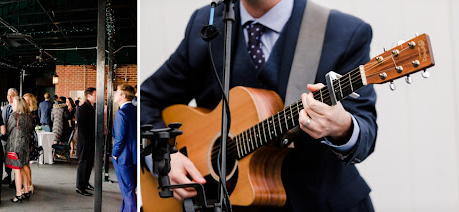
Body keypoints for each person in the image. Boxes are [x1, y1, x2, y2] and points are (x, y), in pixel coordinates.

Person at [140, 0, 378, 211]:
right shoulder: (207, 23)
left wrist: (343, 127)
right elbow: (147, 100)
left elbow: (365, 132)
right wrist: (164, 159)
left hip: (319, 201)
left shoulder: (344, 32)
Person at [112, 84, 138, 212]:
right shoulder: (136, 110)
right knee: (131, 189)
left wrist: (115, 153)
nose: (115, 94)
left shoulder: (121, 113)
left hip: (123, 157)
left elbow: (120, 138)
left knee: (127, 190)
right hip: (135, 156)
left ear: (123, 96)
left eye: (117, 92)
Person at [3, 96, 34, 203]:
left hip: (15, 146)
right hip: (25, 145)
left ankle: (18, 194)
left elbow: (7, 130)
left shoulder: (14, 116)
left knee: (17, 171)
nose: (12, 105)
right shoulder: (29, 116)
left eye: (14, 103)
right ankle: (25, 191)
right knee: (22, 168)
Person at [75, 87, 97, 196]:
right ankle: (80, 186)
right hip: (85, 141)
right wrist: (86, 141)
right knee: (83, 164)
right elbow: (82, 127)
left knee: (89, 163)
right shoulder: (82, 108)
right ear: (89, 96)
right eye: (95, 95)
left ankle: (86, 182)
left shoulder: (92, 107)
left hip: (91, 140)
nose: (96, 97)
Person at [1, 88, 18, 187]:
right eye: (8, 95)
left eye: (12, 95)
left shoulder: (18, 108)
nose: (10, 97)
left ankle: (16, 179)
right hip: (5, 137)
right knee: (6, 158)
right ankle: (8, 176)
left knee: (14, 158)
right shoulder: (5, 108)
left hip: (15, 138)